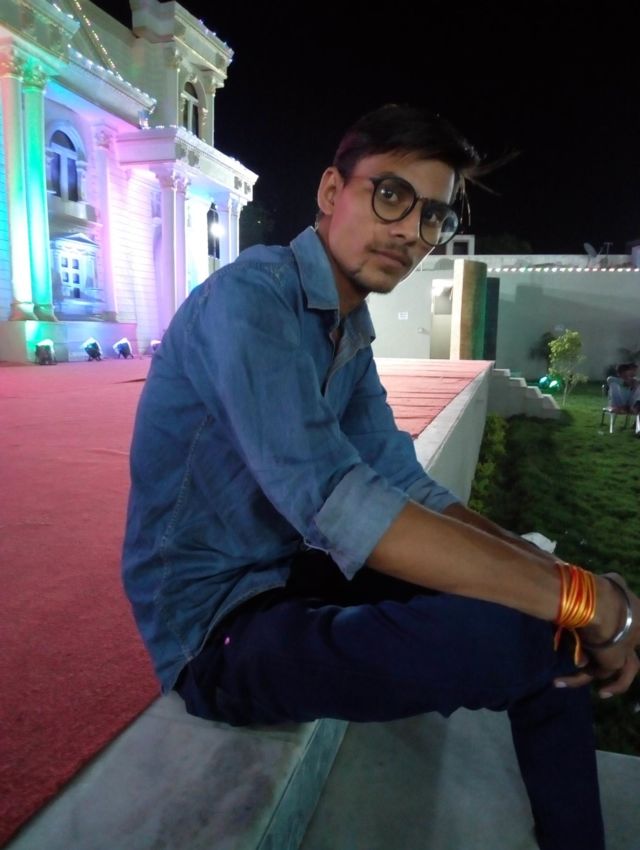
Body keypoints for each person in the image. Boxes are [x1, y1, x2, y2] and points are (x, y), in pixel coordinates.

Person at [122, 104, 640, 850]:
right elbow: (338, 500)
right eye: (391, 195)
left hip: (293, 575)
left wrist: (568, 583)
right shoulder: (250, 300)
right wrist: (590, 603)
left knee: (544, 617)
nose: (411, 232)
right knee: (533, 639)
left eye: (433, 216)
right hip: (215, 631)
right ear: (332, 191)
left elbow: (405, 483)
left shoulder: (347, 330)